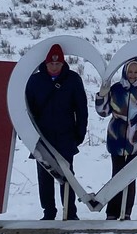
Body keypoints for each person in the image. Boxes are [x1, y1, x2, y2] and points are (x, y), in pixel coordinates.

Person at [25, 43, 89, 220]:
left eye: (58, 64)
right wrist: (29, 136)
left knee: (67, 175)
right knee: (44, 176)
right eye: (51, 64)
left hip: (65, 135)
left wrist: (80, 133)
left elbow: (81, 109)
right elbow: (27, 110)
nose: (54, 67)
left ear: (63, 63)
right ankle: (48, 212)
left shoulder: (73, 79)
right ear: (46, 64)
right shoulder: (34, 81)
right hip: (41, 137)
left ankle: (70, 212)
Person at [95, 56, 137, 220]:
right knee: (116, 175)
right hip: (116, 138)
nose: (133, 74)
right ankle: (112, 212)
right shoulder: (116, 89)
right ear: (125, 71)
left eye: (136, 71)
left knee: (130, 177)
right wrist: (102, 95)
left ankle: (126, 212)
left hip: (135, 141)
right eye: (130, 71)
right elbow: (103, 111)